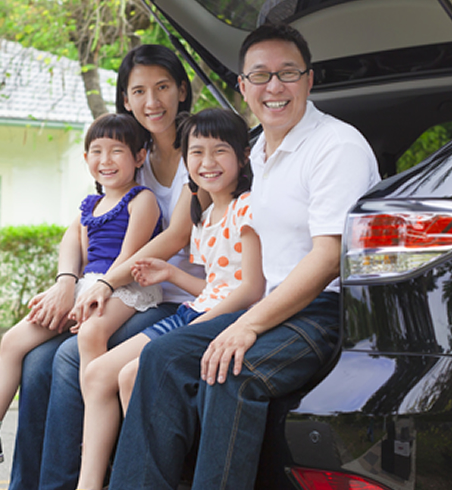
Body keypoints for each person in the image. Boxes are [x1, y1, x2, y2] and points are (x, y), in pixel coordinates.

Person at [107, 24, 381, 489]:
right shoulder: (260, 154)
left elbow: (329, 258)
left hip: (323, 312)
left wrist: (247, 324)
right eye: (260, 76)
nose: (274, 87)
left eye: (287, 73)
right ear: (243, 87)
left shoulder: (337, 146)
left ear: (309, 81)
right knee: (159, 358)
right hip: (266, 306)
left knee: (229, 370)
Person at [4, 45, 204, 490]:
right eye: (139, 91)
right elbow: (79, 227)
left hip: (172, 297)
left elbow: (174, 238)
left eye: (163, 87)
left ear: (182, 91)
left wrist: (103, 285)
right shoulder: (130, 154)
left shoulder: (200, 150)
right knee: (35, 361)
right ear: (126, 99)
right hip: (117, 292)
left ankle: (72, 480)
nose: (152, 101)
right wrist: (66, 283)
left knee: (68, 358)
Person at [0, 113, 164, 467]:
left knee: (91, 334)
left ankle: (95, 434)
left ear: (139, 157)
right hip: (89, 286)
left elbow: (129, 258)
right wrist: (67, 291)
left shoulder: (141, 200)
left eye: (117, 151)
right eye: (97, 151)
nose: (106, 160)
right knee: (13, 340)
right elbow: (82, 257)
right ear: (85, 159)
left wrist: (93, 292)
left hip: (126, 287)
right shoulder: (89, 205)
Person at [75, 108, 265, 490]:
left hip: (214, 320)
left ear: (244, 156)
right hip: (192, 311)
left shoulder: (248, 207)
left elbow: (251, 289)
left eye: (220, 151)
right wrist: (172, 274)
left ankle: (150, 475)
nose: (207, 163)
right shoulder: (207, 215)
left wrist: (199, 322)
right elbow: (217, 285)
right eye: (196, 153)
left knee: (132, 375)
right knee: (98, 374)